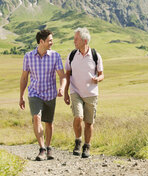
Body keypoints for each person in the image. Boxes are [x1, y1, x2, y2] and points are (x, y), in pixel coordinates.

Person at [19, 29, 66, 161]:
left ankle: (49, 146)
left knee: (49, 123)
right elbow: (24, 78)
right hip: (34, 93)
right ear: (41, 41)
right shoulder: (28, 56)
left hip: (50, 94)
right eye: (49, 40)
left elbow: (62, 76)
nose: (52, 42)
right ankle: (42, 149)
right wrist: (21, 96)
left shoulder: (55, 56)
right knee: (36, 117)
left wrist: (61, 88)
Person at [64, 27, 104, 158]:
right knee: (78, 117)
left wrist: (98, 79)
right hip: (76, 92)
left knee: (88, 122)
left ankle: (87, 147)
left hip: (91, 93)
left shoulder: (95, 55)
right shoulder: (71, 56)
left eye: (76, 39)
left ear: (84, 40)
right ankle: (78, 141)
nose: (74, 41)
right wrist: (65, 92)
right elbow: (67, 75)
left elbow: (101, 74)